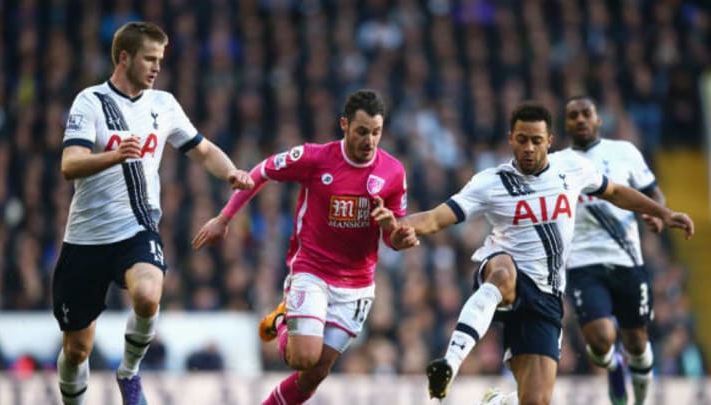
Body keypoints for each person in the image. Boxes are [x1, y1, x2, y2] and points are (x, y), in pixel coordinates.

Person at [384, 101, 693, 404]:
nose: (529, 148)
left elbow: (615, 192)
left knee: (535, 400)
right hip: (506, 273)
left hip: (547, 296)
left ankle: (499, 402)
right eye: (521, 140)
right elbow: (438, 217)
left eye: (536, 141)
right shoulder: (491, 182)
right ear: (510, 140)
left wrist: (663, 213)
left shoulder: (571, 168)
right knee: (503, 273)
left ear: (550, 141)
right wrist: (403, 227)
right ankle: (449, 363)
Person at [52, 21, 253, 405]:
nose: (157, 67)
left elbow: (204, 150)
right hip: (86, 239)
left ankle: (129, 373)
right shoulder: (90, 102)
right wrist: (115, 154)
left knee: (147, 295)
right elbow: (69, 165)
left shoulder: (164, 104)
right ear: (124, 57)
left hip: (137, 228)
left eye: (160, 60)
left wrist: (231, 171)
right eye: (149, 58)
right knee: (77, 350)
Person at [192, 89, 416, 405]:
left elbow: (395, 237)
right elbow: (262, 171)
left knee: (315, 376)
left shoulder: (393, 172)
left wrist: (395, 231)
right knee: (303, 358)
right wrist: (224, 218)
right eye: (362, 131)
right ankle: (285, 319)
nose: (369, 140)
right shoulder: (315, 157)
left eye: (376, 132)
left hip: (357, 286)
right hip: (313, 271)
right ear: (344, 125)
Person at [564, 96, 667, 405]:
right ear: (565, 124)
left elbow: (654, 191)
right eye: (573, 116)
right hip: (582, 261)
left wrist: (658, 213)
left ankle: (639, 401)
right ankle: (613, 365)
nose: (580, 120)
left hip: (627, 259)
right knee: (601, 338)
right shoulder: (557, 162)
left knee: (636, 342)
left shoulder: (624, 152)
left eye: (586, 114)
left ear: (598, 119)